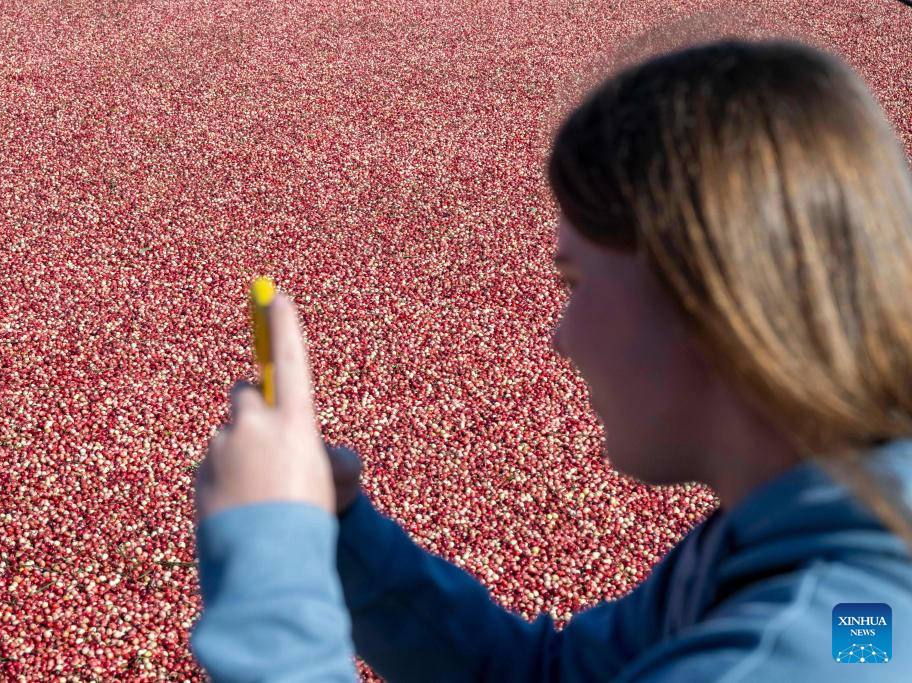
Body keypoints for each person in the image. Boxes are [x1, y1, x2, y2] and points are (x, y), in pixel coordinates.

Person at [190, 38, 912, 681]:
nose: (560, 337)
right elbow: (546, 675)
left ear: (711, 301)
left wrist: (270, 560)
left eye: (575, 283)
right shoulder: (800, 547)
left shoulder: (780, 656)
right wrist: (341, 529)